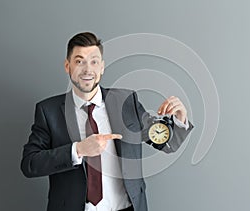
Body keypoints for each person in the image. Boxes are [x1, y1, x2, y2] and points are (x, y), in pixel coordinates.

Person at [21, 32, 193, 211]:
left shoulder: (127, 102)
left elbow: (164, 143)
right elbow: (29, 164)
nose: (88, 69)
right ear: (67, 66)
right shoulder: (48, 111)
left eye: (94, 61)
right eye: (79, 61)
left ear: (102, 67)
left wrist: (179, 121)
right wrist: (78, 150)